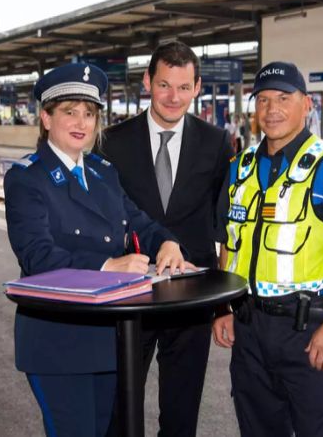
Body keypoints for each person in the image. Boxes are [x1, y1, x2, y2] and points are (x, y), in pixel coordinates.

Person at [3, 62, 192, 437]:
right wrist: (108, 264)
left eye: (89, 113)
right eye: (69, 112)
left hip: (110, 341)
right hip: (58, 342)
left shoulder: (103, 172)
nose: (81, 122)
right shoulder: (27, 178)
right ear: (45, 117)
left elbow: (137, 221)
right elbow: (37, 256)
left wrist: (167, 241)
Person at [212, 62, 323, 437]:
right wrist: (223, 307)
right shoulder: (240, 168)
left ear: (306, 105)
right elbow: (229, 241)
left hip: (307, 332)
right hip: (249, 330)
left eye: (284, 99)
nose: (272, 110)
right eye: (265, 100)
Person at [98, 41, 234, 437]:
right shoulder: (111, 142)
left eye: (183, 87)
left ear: (197, 87)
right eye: (164, 85)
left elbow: (225, 228)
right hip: (128, 298)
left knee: (182, 411)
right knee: (120, 409)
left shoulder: (217, 143)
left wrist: (224, 305)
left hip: (192, 300)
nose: (173, 97)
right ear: (147, 82)